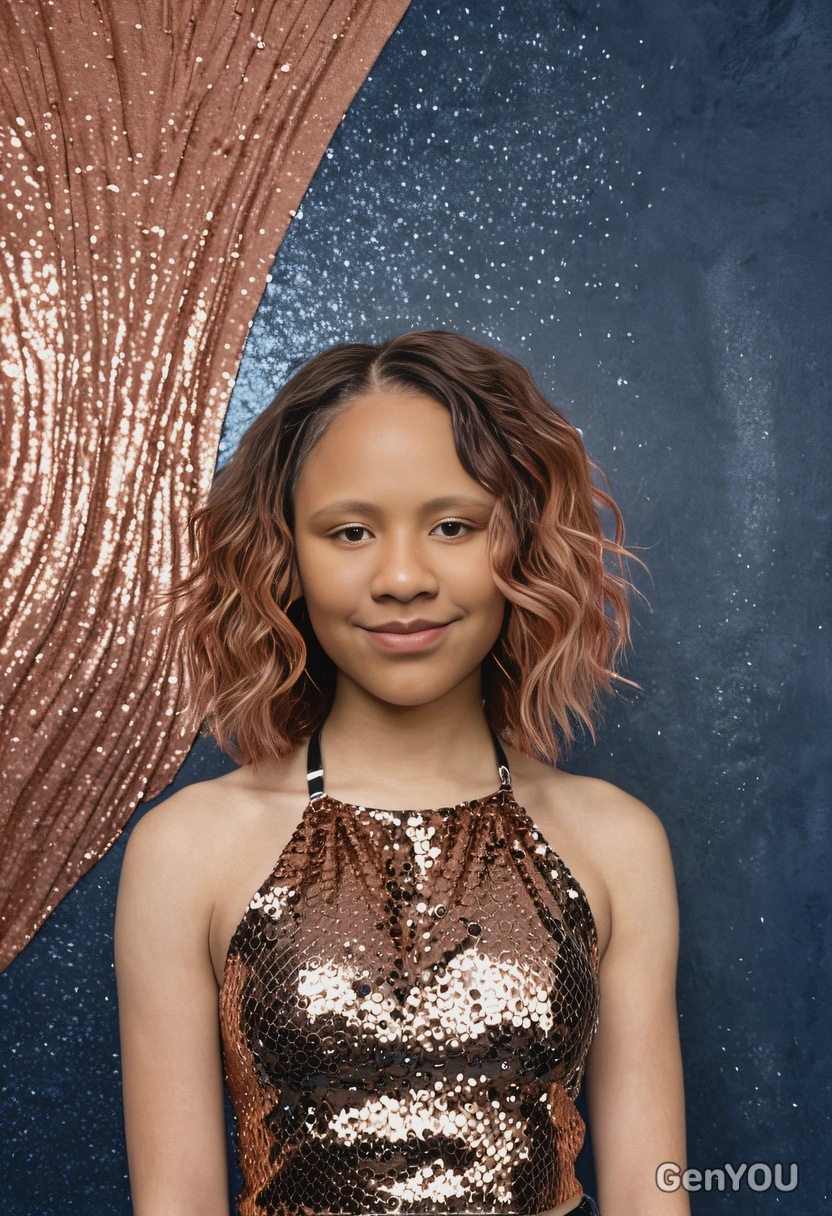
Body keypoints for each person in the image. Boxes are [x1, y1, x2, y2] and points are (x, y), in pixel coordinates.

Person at [115, 330, 690, 1216]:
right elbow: (175, 1203)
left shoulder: (615, 841)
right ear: (286, 557)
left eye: (453, 525)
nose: (402, 577)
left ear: (523, 545)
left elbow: (657, 1198)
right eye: (350, 531)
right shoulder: (186, 849)